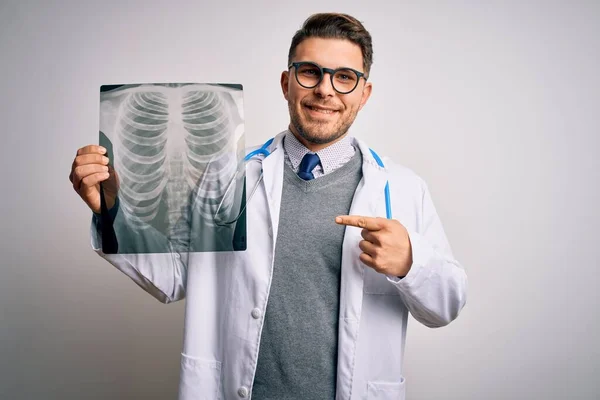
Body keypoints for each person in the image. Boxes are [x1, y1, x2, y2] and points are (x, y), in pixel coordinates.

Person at [69, 12, 467, 400]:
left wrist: (412, 261)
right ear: (286, 82)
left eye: (344, 77)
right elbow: (174, 277)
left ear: (364, 94)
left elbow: (445, 305)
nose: (325, 90)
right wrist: (110, 208)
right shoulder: (227, 177)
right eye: (310, 71)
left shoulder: (402, 189)